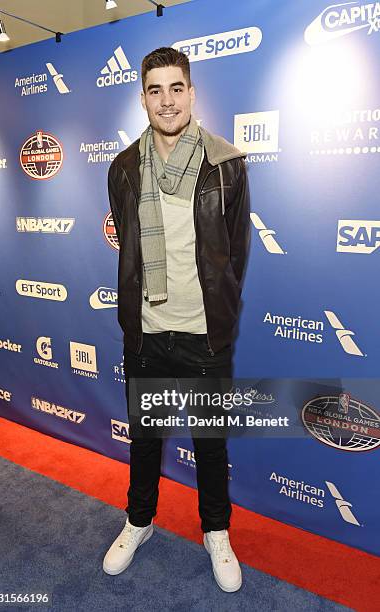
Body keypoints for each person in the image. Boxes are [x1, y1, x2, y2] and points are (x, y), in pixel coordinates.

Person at [104, 47, 250, 592]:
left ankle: (216, 531)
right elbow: (128, 250)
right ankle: (138, 521)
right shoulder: (122, 167)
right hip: (145, 335)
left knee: (211, 442)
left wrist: (219, 314)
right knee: (144, 438)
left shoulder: (226, 164)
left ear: (191, 92)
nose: (167, 101)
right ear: (143, 98)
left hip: (205, 337)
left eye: (176, 88)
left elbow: (233, 254)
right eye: (155, 90)